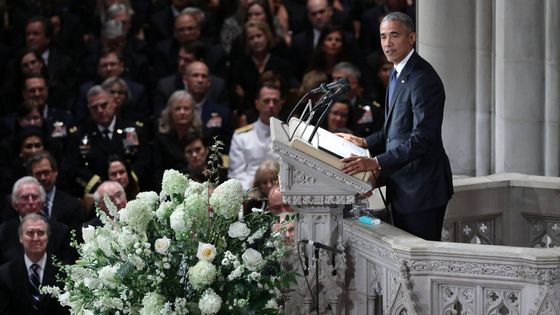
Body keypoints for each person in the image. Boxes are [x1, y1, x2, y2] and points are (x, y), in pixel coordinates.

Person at [339, 12, 453, 241]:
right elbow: (395, 131)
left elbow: (422, 138)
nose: (387, 43)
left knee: (418, 264)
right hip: (402, 186)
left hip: (422, 190)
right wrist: (364, 142)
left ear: (411, 37)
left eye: (394, 35)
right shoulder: (396, 71)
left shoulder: (423, 78)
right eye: (382, 37)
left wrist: (375, 162)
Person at [0, 213, 69, 315]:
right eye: (30, 233)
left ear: (48, 237)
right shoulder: (5, 273)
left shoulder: (64, 271)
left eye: (41, 233)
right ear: (20, 238)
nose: (36, 238)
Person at [0, 176, 74, 264]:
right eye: (25, 198)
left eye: (34, 197)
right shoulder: (3, 232)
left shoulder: (61, 231)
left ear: (42, 203)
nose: (31, 202)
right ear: (15, 204)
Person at [228, 82, 283, 190]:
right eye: (266, 101)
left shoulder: (290, 135)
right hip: (251, 194)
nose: (271, 105)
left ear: (280, 104)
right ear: (257, 104)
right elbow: (236, 175)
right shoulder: (241, 137)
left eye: (275, 101)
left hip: (283, 194)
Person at [28, 151, 84, 230]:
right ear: (31, 176)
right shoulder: (23, 204)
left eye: (46, 172)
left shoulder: (73, 205)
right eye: (38, 174)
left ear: (55, 172)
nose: (43, 177)